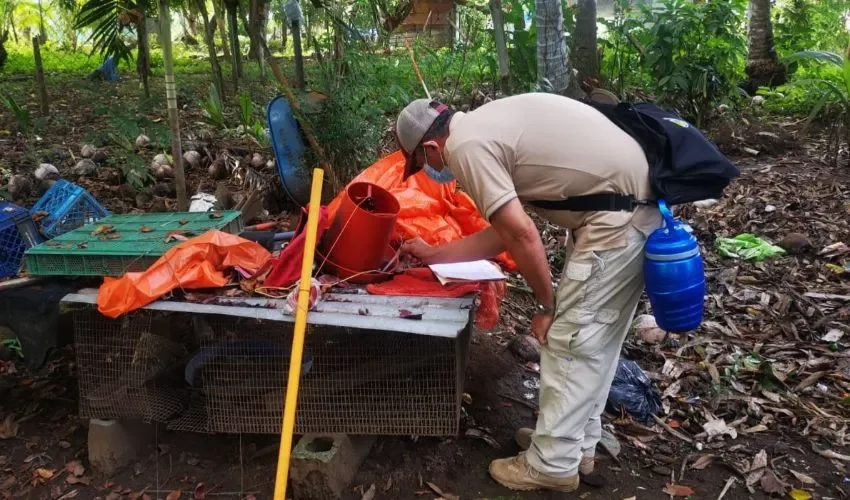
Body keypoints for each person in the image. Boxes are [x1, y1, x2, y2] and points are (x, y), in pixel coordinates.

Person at [393, 92, 662, 492]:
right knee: (595, 344)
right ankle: (575, 445)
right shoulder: (485, 124)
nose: (427, 171)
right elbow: (503, 233)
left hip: (616, 220)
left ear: (431, 147)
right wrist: (434, 253)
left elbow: (521, 233)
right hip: (624, 210)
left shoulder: (466, 148)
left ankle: (552, 463)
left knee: (569, 340)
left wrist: (547, 304)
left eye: (419, 163)